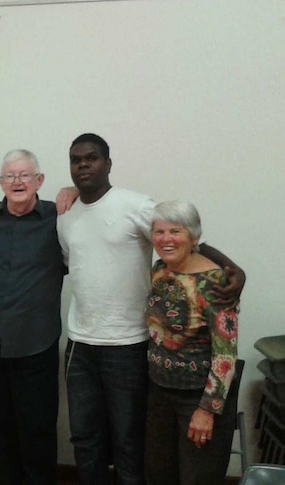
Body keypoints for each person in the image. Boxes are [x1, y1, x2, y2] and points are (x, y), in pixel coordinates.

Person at [57, 133, 244, 484]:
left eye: (91, 158)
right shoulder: (65, 215)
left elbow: (182, 236)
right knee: (84, 438)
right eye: (75, 159)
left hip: (128, 345)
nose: (83, 164)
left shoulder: (134, 205)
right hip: (80, 345)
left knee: (130, 442)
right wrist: (65, 195)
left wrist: (232, 269)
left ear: (108, 164)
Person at [0, 149, 65, 485]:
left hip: (36, 344)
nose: (17, 181)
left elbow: (98, 205)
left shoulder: (60, 217)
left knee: (37, 430)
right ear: (0, 182)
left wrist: (76, 191)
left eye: (25, 175)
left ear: (39, 180)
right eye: (10, 175)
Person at [143, 200, 239, 484]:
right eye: (159, 232)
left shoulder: (215, 282)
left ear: (194, 237)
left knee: (197, 478)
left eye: (176, 231)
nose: (166, 239)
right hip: (159, 392)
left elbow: (226, 355)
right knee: (158, 475)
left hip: (198, 399)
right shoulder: (160, 269)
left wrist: (206, 410)